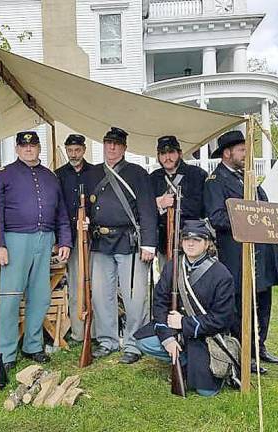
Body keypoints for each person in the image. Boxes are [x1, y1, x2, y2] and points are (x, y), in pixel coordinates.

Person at [0, 131, 72, 371]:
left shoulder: (50, 177)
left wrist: (65, 240)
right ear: (17, 148)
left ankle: (33, 345)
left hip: (44, 240)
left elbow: (61, 211)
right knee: (9, 299)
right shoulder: (3, 175)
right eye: (24, 146)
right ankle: (6, 351)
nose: (29, 149)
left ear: (38, 148)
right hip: (14, 241)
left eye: (33, 145)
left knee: (40, 296)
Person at [204, 130, 278, 373]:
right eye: (242, 150)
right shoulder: (215, 181)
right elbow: (217, 217)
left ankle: (260, 347)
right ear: (227, 153)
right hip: (238, 253)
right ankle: (245, 353)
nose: (247, 154)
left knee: (263, 300)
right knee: (242, 306)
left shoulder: (246, 177)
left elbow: (263, 205)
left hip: (262, 252)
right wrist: (250, 220)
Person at [135, 220, 235, 396]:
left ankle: (190, 364)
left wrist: (184, 323)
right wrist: (168, 338)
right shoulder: (173, 266)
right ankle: (181, 359)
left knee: (206, 392)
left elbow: (222, 319)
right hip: (176, 331)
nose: (190, 243)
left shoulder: (221, 275)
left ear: (207, 243)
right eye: (187, 238)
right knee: (144, 342)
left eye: (197, 239)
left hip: (204, 336)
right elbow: (159, 302)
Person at [86, 127, 157, 364]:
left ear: (124, 148)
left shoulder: (137, 174)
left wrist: (149, 244)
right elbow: (84, 206)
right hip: (100, 242)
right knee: (101, 295)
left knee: (134, 295)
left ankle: (134, 343)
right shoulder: (93, 173)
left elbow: (148, 209)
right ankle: (107, 340)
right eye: (108, 143)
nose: (112, 148)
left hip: (130, 242)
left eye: (116, 144)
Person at [55, 134, 93, 343]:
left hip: (94, 236)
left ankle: (96, 330)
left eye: (77, 150)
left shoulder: (95, 172)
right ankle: (79, 331)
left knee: (95, 283)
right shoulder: (58, 175)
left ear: (84, 150)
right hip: (70, 236)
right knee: (77, 283)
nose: (73, 154)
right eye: (70, 150)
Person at [150, 136, 208, 268]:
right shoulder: (153, 178)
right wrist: (159, 204)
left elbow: (202, 208)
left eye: (171, 152)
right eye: (163, 154)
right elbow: (146, 210)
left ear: (180, 154)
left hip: (193, 238)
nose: (167, 157)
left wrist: (175, 203)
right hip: (164, 242)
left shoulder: (197, 175)